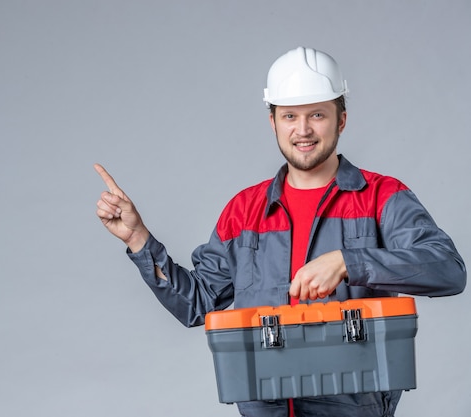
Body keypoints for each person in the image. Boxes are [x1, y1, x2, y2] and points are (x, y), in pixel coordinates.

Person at [94, 46, 466, 417]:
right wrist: (137, 238)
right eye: (290, 116)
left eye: (317, 114)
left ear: (341, 120)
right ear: (273, 122)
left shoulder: (382, 198)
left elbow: (447, 270)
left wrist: (348, 262)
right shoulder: (244, 211)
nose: (302, 130)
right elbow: (197, 303)